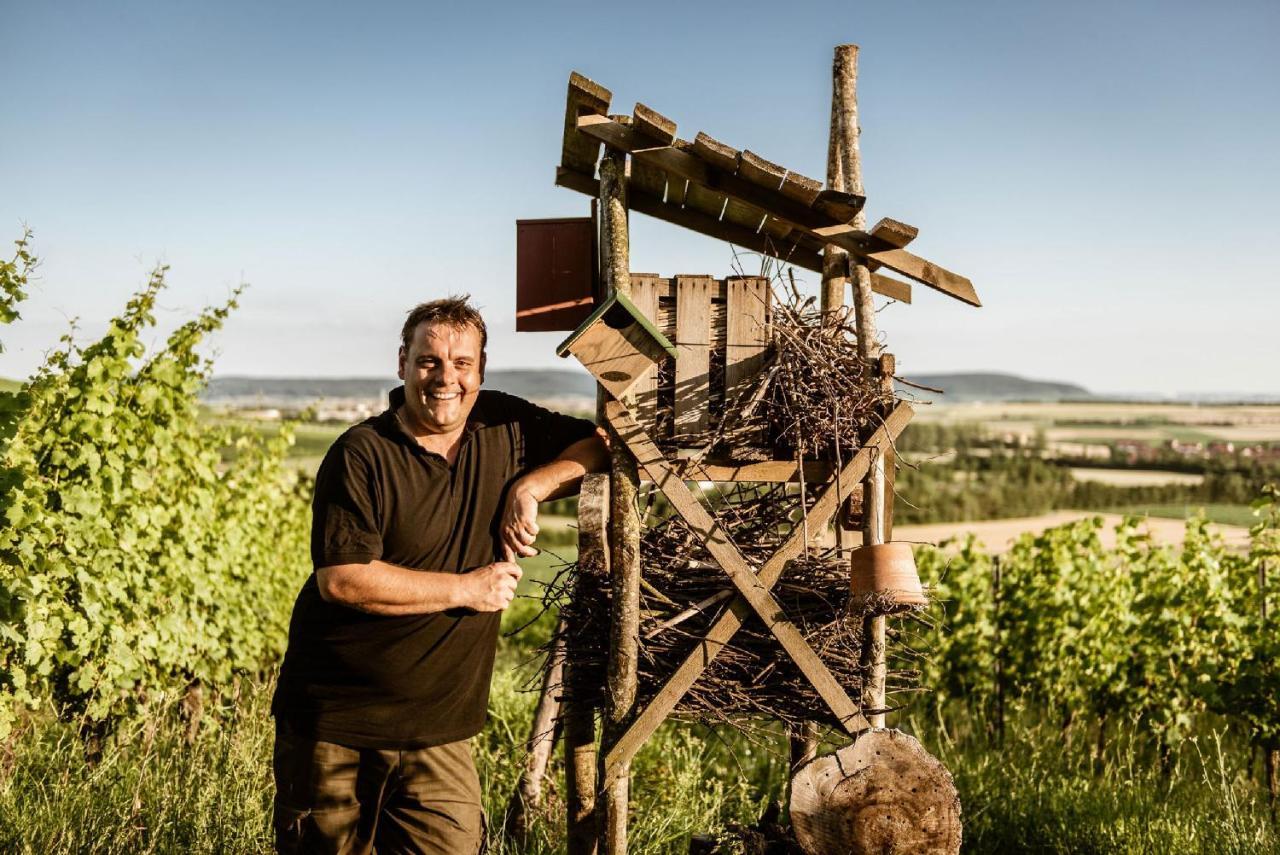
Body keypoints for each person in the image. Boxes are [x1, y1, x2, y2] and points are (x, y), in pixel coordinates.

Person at [270, 296, 607, 854]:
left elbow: (601, 445)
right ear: (402, 362)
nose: (444, 377)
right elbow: (343, 578)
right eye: (429, 361)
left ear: (480, 371)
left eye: (461, 363)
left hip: (440, 734)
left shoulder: (505, 425)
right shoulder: (362, 453)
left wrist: (532, 487)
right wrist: (467, 589)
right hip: (336, 726)